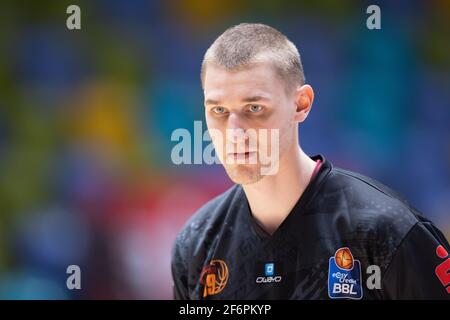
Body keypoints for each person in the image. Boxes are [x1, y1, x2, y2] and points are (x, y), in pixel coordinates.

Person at [171, 23, 450, 299]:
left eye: (254, 108)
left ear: (301, 104)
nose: (234, 132)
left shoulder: (388, 231)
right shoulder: (196, 244)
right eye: (218, 110)